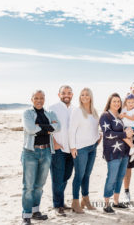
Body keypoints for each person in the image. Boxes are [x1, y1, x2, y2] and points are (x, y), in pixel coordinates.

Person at [21, 90, 60, 225]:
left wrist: (40, 127)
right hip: (30, 152)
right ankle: (26, 215)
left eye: (41, 98)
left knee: (39, 185)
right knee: (29, 186)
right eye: (36, 98)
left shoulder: (50, 114)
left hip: (47, 152)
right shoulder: (27, 113)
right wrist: (48, 128)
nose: (39, 100)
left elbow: (57, 127)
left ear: (44, 99)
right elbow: (31, 129)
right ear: (32, 99)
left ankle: (35, 211)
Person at [100, 93, 134, 213]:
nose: (116, 103)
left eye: (118, 101)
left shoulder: (119, 117)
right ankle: (106, 204)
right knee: (112, 177)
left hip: (124, 152)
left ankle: (116, 202)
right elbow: (107, 134)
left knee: (120, 177)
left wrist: (128, 132)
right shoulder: (105, 116)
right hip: (112, 152)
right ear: (109, 102)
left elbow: (122, 131)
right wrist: (125, 134)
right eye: (114, 101)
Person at [68, 88, 101, 213]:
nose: (84, 97)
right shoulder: (77, 111)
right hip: (80, 148)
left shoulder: (94, 111)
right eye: (82, 95)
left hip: (92, 147)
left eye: (87, 95)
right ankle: (75, 202)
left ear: (91, 96)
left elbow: (95, 127)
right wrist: (72, 147)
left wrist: (99, 137)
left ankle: (85, 200)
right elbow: (71, 130)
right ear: (79, 97)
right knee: (79, 175)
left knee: (87, 175)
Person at [48, 85, 74, 216]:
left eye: (69, 93)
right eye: (63, 93)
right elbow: (46, 127)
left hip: (71, 150)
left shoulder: (75, 110)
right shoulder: (52, 108)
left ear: (72, 95)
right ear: (59, 95)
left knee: (66, 176)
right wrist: (54, 143)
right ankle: (57, 205)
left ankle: (60, 201)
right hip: (57, 149)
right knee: (58, 178)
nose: (66, 95)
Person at [120, 94, 134, 163]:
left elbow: (133, 118)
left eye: (132, 102)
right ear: (125, 103)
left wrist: (125, 115)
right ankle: (133, 152)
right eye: (129, 102)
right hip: (125, 127)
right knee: (128, 138)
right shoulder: (124, 109)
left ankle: (133, 147)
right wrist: (122, 115)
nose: (131, 104)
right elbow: (120, 117)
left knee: (124, 136)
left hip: (132, 127)